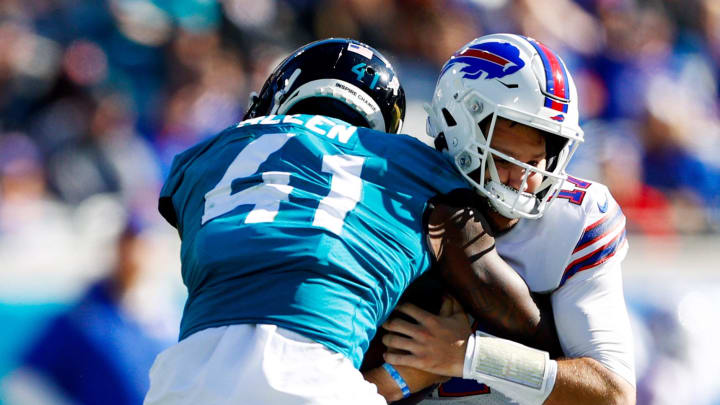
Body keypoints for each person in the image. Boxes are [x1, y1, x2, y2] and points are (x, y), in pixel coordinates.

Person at [143, 38, 560, 405]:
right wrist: (459, 351)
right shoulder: (413, 167)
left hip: (181, 382)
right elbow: (521, 322)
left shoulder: (201, 158)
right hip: (315, 380)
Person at [379, 34, 636, 405]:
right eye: (503, 159)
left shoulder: (575, 219)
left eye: (534, 163)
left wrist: (470, 355)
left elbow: (612, 394)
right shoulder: (392, 200)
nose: (523, 180)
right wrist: (400, 380)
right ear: (456, 132)